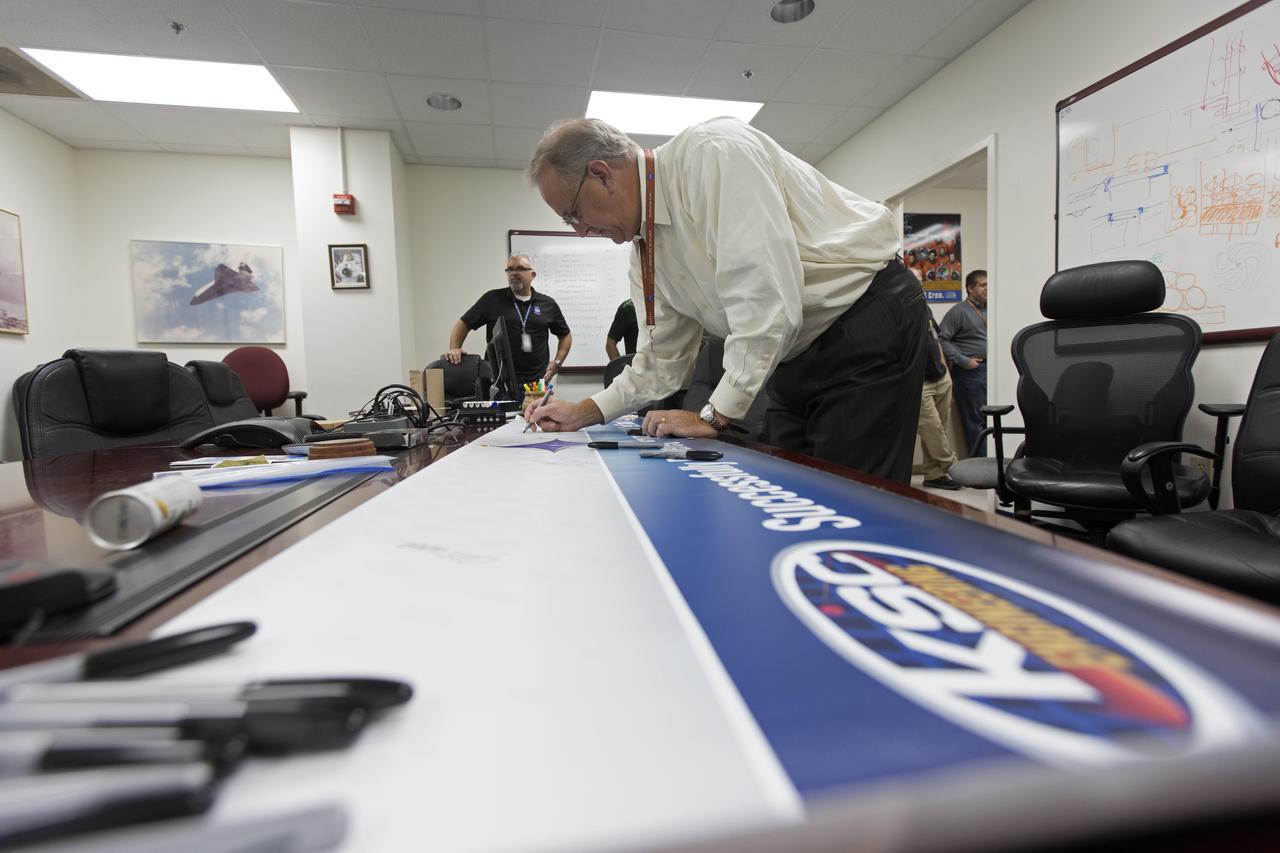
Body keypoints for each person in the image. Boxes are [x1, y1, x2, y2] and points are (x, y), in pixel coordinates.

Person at [523, 116, 928, 483]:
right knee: (789, 490)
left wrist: (712, 417)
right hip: (794, 349)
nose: (578, 231)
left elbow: (766, 303)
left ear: (601, 174)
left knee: (853, 500)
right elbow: (662, 358)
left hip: (864, 314)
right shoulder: (646, 247)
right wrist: (585, 411)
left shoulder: (713, 154)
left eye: (572, 213)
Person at [445, 254, 572, 385]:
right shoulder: (492, 299)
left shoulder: (547, 304)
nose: (514, 273)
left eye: (520, 269)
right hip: (498, 381)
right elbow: (463, 324)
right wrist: (455, 348)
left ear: (532, 275)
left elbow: (565, 335)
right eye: (510, 269)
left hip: (537, 381)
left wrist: (558, 362)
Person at [911, 267, 959, 490]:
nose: (919, 284)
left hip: (940, 377)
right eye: (914, 280)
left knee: (940, 428)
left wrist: (944, 366)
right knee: (933, 430)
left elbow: (935, 338)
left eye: (921, 280)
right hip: (920, 384)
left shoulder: (925, 308)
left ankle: (933, 474)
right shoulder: (902, 310)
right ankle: (953, 466)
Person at [938, 269, 988, 456]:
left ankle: (994, 462)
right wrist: (963, 360)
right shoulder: (958, 312)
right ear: (970, 288)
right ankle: (980, 465)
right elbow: (942, 339)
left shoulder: (993, 308)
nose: (987, 289)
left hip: (991, 370)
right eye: (983, 285)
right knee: (976, 420)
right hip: (971, 373)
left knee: (994, 419)